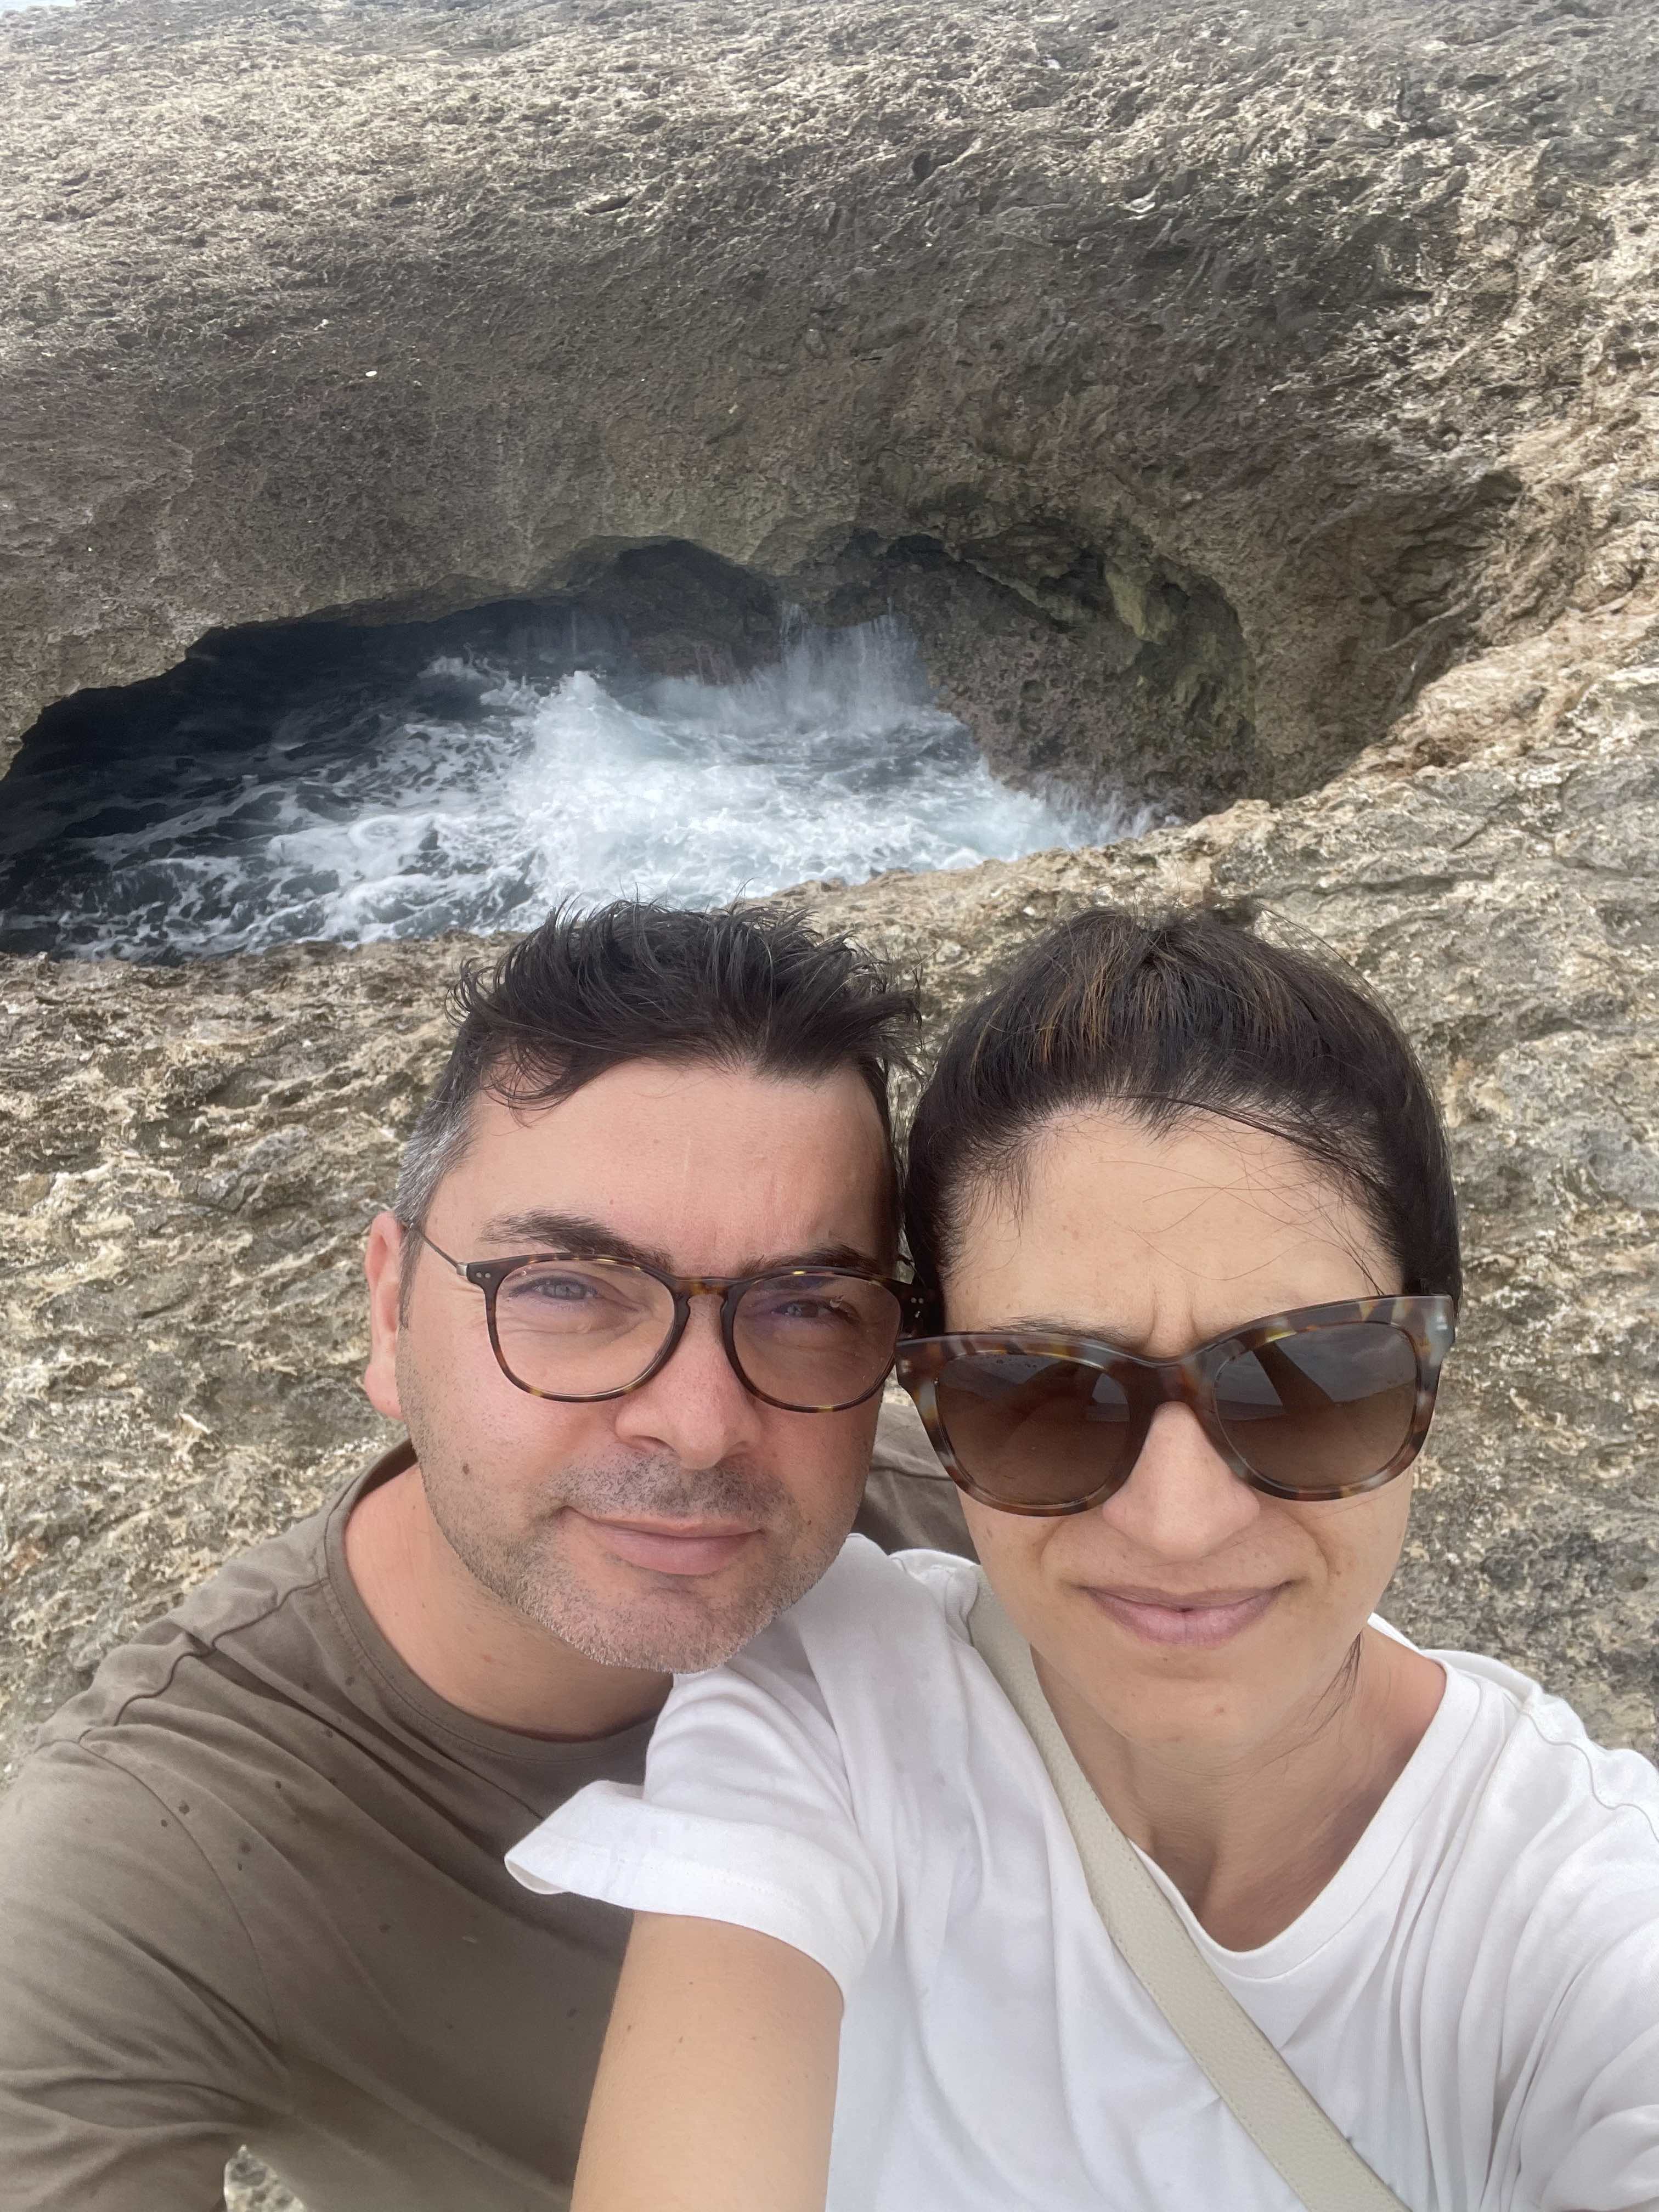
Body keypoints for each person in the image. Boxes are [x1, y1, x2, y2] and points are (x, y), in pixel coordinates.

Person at [510, 906, 1659, 2212]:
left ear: (1428, 1382)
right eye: (1043, 1395)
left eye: (1309, 1381)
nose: (1180, 1523)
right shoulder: (831, 1709)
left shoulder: (1590, 1924)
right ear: (932, 1406)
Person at [0, 900, 972, 2212]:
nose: (698, 1425)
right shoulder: (161, 1857)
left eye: (806, 1307)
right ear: (390, 1309)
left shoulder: (986, 1552)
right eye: (568, 1288)